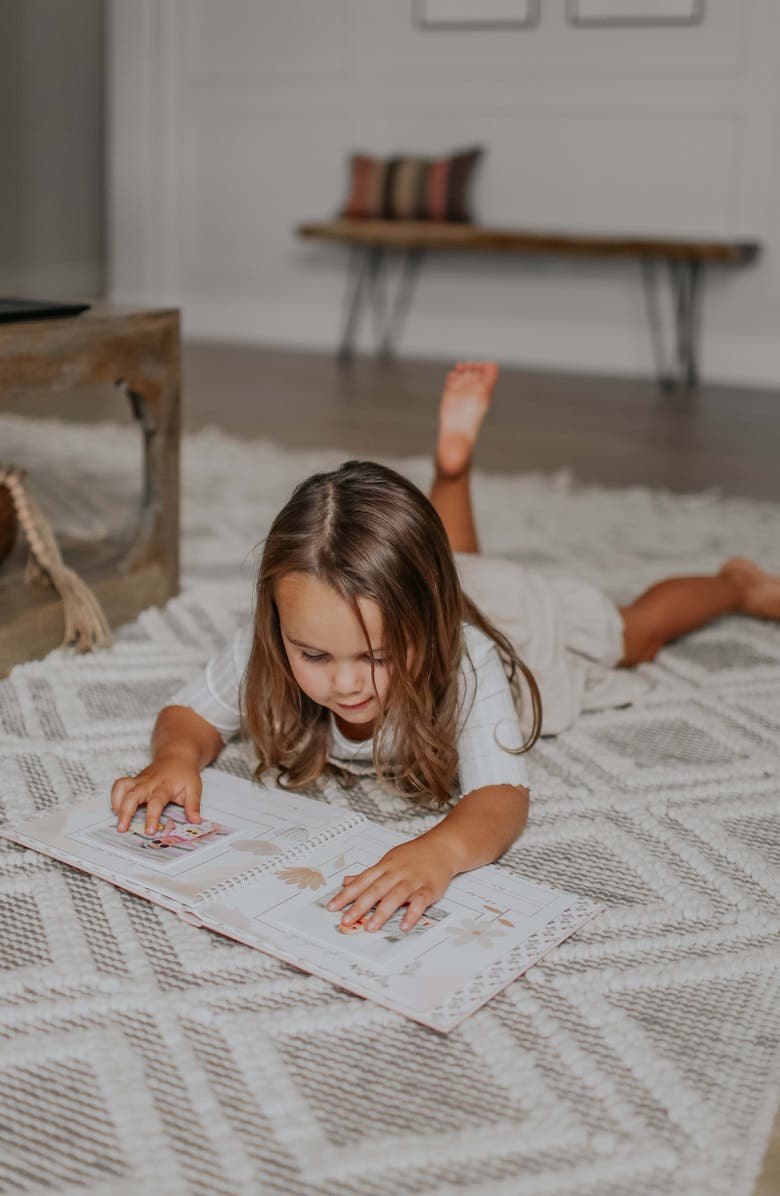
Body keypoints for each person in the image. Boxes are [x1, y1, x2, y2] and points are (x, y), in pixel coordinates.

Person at [111, 361, 780, 933]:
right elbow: (188, 715)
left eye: (376, 658)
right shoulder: (283, 634)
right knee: (450, 564)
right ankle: (452, 473)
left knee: (634, 636)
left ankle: (736, 585)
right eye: (315, 657)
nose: (346, 683)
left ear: (430, 629)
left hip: (520, 624)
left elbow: (502, 798)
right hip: (432, 586)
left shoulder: (468, 659)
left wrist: (441, 852)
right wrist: (174, 758)